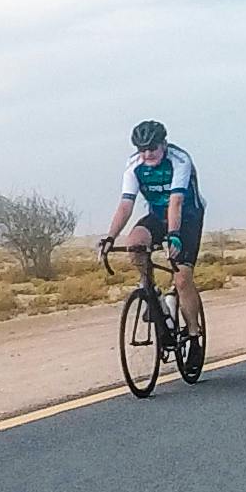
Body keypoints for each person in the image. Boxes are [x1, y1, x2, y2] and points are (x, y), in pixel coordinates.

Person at [103, 118, 205, 351]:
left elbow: (176, 202)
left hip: (187, 217)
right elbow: (126, 205)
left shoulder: (179, 160)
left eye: (152, 148)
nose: (148, 154)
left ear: (164, 144)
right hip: (158, 215)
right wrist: (110, 238)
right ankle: (152, 292)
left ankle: (193, 336)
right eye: (142, 149)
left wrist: (174, 235)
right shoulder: (134, 165)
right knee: (135, 243)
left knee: (181, 278)